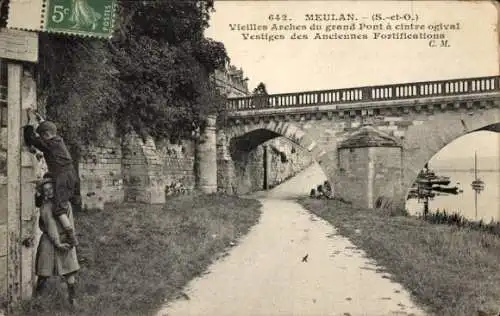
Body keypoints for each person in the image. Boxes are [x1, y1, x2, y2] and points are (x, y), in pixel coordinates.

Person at [24, 110, 79, 247]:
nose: (41, 138)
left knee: (58, 208)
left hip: (62, 177)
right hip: (69, 175)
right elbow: (48, 130)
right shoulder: (58, 141)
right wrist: (42, 122)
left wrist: (29, 125)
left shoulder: (50, 145)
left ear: (46, 135)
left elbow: (31, 139)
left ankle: (71, 237)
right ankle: (69, 230)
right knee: (62, 203)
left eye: (42, 136)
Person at [34, 177, 80, 306]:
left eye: (50, 188)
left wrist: (65, 241)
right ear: (43, 193)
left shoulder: (61, 204)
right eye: (45, 190)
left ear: (55, 188)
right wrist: (60, 241)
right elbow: (50, 226)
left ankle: (72, 300)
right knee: (44, 271)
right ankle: (37, 301)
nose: (48, 192)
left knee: (69, 270)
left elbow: (68, 224)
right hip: (50, 240)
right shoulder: (50, 205)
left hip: (62, 239)